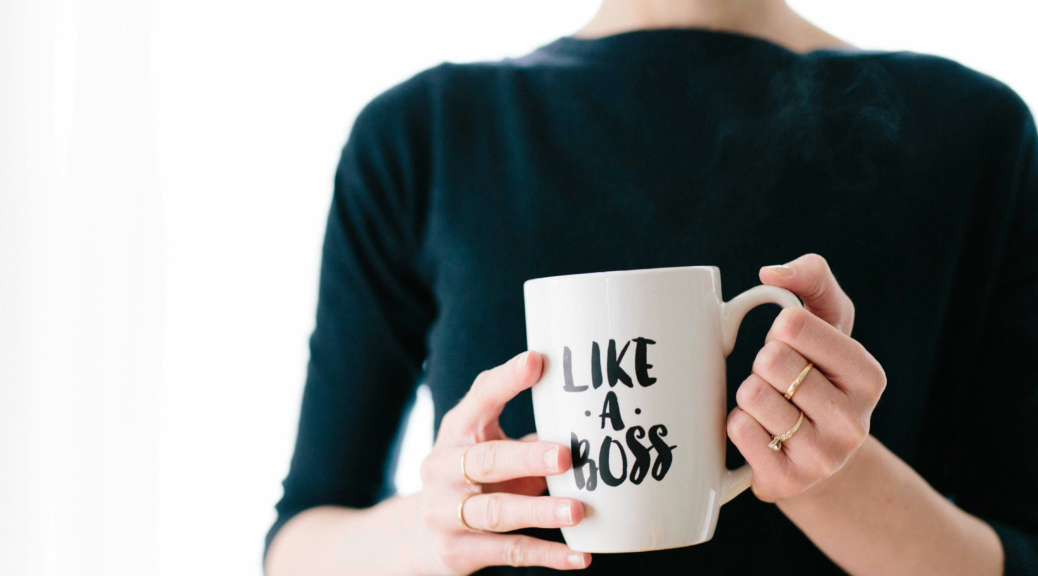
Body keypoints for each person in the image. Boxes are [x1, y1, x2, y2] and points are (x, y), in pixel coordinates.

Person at [264, 0, 1038, 574]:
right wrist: (435, 525)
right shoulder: (422, 136)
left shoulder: (972, 135)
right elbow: (297, 545)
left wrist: (828, 478)